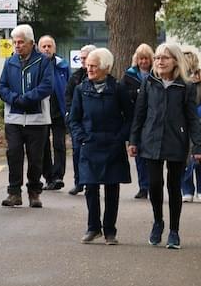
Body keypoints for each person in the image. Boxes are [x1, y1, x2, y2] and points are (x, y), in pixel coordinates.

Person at [128, 41, 201, 250]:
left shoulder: (186, 87)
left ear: (175, 61)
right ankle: (158, 222)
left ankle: (174, 230)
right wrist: (133, 140)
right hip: (150, 140)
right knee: (154, 185)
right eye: (158, 57)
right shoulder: (148, 83)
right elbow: (139, 114)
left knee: (173, 187)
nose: (160, 61)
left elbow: (193, 119)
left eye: (165, 57)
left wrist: (197, 147)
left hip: (175, 141)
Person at [67, 48, 132, 244]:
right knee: (91, 187)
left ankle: (110, 230)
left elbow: (129, 117)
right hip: (90, 144)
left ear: (106, 68)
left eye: (94, 66)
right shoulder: (81, 89)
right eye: (88, 66)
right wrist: (81, 138)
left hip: (113, 145)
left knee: (112, 188)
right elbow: (74, 118)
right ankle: (93, 227)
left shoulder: (118, 89)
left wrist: (120, 138)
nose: (89, 69)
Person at [0, 24, 56, 209]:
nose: (17, 45)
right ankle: (14, 192)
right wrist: (15, 99)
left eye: (21, 42)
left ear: (31, 43)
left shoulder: (43, 61)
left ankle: (34, 192)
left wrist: (27, 99)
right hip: (14, 118)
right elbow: (2, 86)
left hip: (37, 119)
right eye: (15, 42)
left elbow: (47, 86)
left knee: (35, 157)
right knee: (13, 154)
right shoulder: (9, 62)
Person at [180, 50, 201, 203]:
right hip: (182, 123)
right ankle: (187, 190)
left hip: (200, 124)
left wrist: (193, 114)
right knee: (184, 160)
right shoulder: (178, 78)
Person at [121, 44, 155, 199]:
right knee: (139, 154)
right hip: (136, 118)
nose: (143, 62)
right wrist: (137, 93)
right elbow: (123, 95)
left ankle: (154, 185)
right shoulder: (130, 75)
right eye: (141, 59)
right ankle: (143, 186)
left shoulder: (156, 74)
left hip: (153, 119)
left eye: (146, 59)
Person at [39, 35, 70, 191]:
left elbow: (69, 88)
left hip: (58, 111)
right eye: (43, 46)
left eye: (49, 46)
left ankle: (58, 176)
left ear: (54, 48)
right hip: (42, 112)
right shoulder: (36, 65)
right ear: (39, 48)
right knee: (43, 145)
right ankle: (48, 176)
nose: (46, 49)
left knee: (59, 144)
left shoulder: (62, 66)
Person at [65, 44, 96, 196]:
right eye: (81, 58)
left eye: (85, 58)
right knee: (77, 152)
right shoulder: (75, 77)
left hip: (93, 122)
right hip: (78, 122)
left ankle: (91, 182)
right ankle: (79, 182)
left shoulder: (98, 78)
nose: (82, 61)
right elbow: (68, 97)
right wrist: (70, 116)